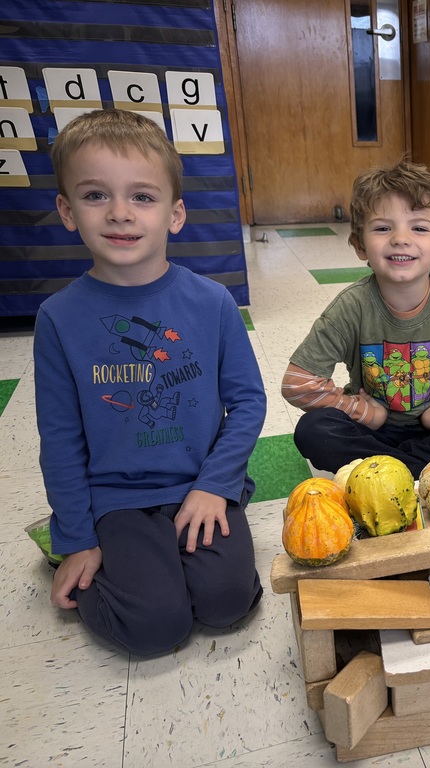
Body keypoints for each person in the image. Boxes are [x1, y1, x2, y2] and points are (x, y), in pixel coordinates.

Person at [35, 108, 266, 655]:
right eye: (95, 196)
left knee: (228, 602)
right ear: (68, 211)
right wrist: (76, 540)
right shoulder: (58, 319)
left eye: (142, 196)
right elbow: (60, 441)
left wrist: (216, 484)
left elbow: (248, 402)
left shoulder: (212, 303)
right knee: (155, 628)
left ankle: (173, 551)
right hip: (115, 499)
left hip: (203, 483)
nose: (119, 214)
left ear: (175, 213)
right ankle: (72, 549)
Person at [283, 160, 430, 480]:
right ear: (359, 246)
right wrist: (364, 413)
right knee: (313, 431)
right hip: (374, 432)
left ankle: (389, 471)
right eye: (383, 228)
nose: (400, 238)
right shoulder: (351, 307)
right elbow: (298, 384)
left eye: (419, 227)